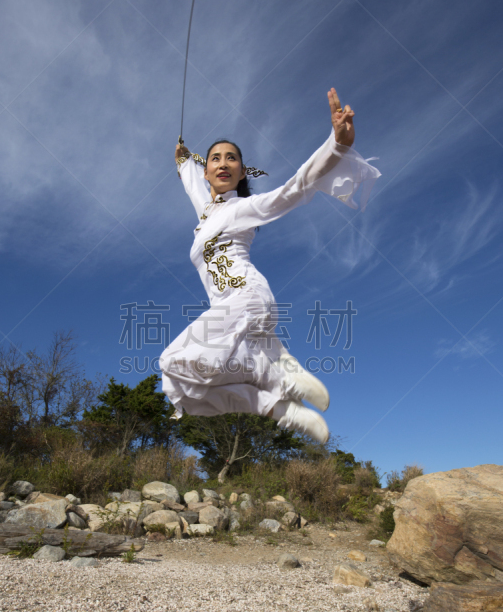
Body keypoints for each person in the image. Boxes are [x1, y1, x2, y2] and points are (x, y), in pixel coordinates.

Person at [159, 88, 380, 443]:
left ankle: (278, 377)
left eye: (231, 159)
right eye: (215, 158)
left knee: (173, 360)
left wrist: (336, 146)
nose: (222, 163)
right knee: (181, 388)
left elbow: (294, 189)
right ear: (207, 170)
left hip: (247, 300)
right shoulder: (207, 212)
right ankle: (279, 407)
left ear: (241, 171)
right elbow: (194, 188)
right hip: (232, 315)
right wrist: (184, 162)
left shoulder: (242, 208)